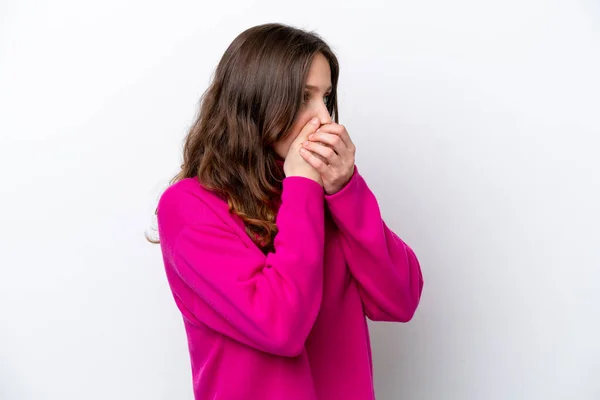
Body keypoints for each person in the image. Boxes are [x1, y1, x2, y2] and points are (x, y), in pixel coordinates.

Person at [151, 22, 424, 400]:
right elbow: (281, 327)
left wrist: (346, 189)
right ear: (255, 102)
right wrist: (303, 188)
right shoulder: (188, 206)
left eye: (326, 98)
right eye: (302, 98)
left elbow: (401, 298)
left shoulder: (323, 195)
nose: (326, 120)